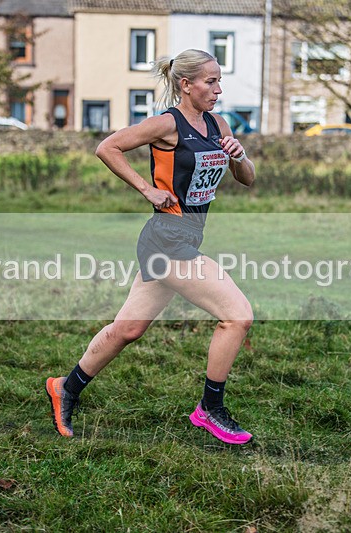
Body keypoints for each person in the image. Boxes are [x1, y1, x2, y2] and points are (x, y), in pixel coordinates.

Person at [45, 49, 256, 445]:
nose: (218, 89)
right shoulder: (166, 124)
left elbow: (247, 178)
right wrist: (147, 189)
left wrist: (239, 156)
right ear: (186, 84)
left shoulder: (218, 124)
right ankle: (210, 408)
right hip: (167, 240)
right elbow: (107, 147)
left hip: (185, 236)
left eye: (219, 81)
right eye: (211, 81)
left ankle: (64, 388)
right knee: (237, 316)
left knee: (128, 329)